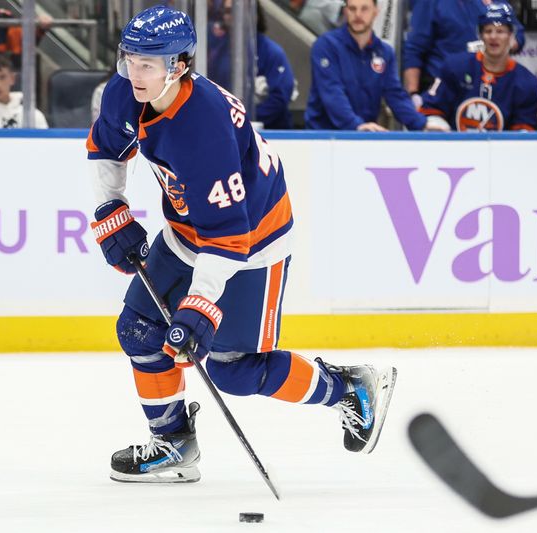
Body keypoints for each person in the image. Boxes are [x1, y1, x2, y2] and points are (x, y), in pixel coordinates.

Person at [87, 5, 397, 483]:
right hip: (190, 230)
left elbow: (230, 233)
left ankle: (348, 388)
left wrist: (200, 303)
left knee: (233, 369)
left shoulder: (203, 129)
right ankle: (173, 443)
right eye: (129, 59)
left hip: (255, 241)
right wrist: (111, 208)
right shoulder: (127, 91)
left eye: (148, 64)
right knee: (138, 329)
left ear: (179, 66)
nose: (134, 73)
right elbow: (107, 145)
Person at [305, 0, 425, 131]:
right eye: (352, 9)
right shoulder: (326, 46)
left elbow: (395, 95)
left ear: (376, 11)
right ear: (345, 11)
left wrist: (422, 124)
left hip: (364, 136)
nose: (358, 14)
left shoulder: (384, 52)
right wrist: (355, 125)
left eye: (364, 9)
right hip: (322, 137)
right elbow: (332, 92)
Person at [419, 3, 537, 132]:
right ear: (480, 35)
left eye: (500, 31)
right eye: (488, 31)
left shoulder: (527, 83)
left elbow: (524, 131)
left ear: (511, 36)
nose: (493, 37)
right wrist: (439, 127)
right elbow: (431, 109)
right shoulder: (456, 67)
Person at [403, 0, 526, 97]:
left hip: (489, 84)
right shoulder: (430, 2)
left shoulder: (495, 3)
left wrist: (499, 42)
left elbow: (518, 35)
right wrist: (413, 95)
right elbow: (414, 49)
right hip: (444, 85)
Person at [207, 0, 295, 129]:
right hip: (226, 129)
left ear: (255, 14)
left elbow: (279, 99)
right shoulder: (218, 52)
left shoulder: (271, 52)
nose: (233, 16)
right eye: (227, 12)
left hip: (269, 133)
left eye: (237, 11)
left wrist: (241, 120)